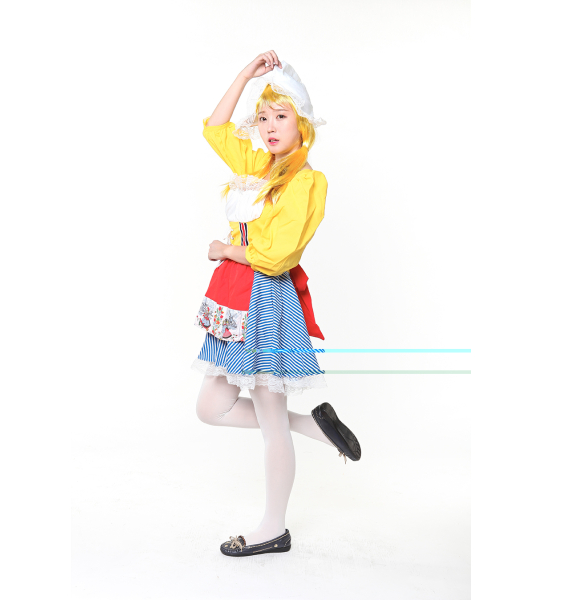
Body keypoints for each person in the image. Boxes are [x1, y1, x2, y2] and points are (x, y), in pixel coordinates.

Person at [192, 51, 362, 557]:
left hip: (265, 299)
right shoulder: (257, 166)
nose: (268, 126)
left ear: (302, 124)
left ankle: (273, 528)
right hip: (232, 298)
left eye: (280, 116)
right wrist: (245, 75)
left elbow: (277, 254)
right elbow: (214, 129)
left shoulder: (306, 180)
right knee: (209, 408)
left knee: (270, 421)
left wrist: (224, 249)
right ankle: (316, 427)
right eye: (263, 117)